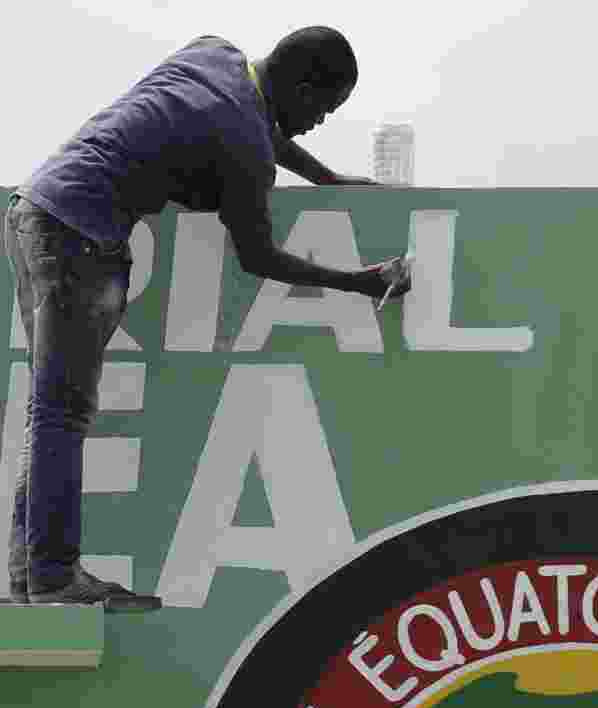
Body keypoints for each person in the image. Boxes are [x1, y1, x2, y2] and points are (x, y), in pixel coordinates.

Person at [2, 27, 410, 612]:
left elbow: (259, 127)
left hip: (34, 210)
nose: (318, 123)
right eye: (324, 108)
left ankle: (33, 577)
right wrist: (360, 281)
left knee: (49, 410)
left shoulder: (214, 52)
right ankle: (52, 577)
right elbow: (259, 257)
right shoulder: (243, 144)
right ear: (301, 86)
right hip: (79, 237)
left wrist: (328, 179)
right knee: (63, 412)